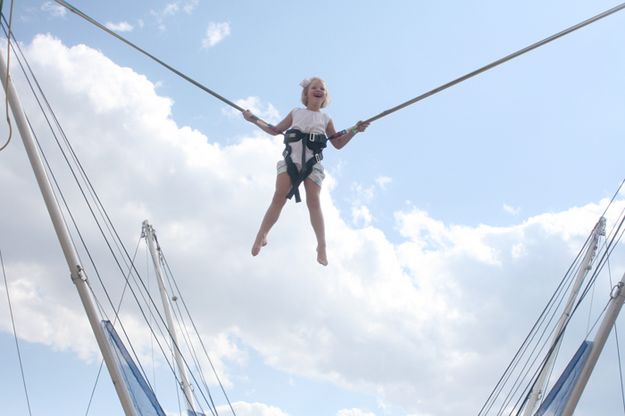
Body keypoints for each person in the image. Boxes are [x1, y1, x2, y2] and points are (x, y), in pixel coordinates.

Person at [243, 77, 368, 266]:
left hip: (312, 164)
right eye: (314, 88)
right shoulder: (296, 112)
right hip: (290, 160)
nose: (318, 90)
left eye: (322, 89)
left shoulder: (326, 119)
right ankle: (262, 234)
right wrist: (253, 119)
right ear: (306, 93)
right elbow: (275, 129)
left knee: (314, 202)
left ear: (325, 96)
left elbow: (337, 143)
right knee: (279, 196)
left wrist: (355, 130)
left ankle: (322, 245)